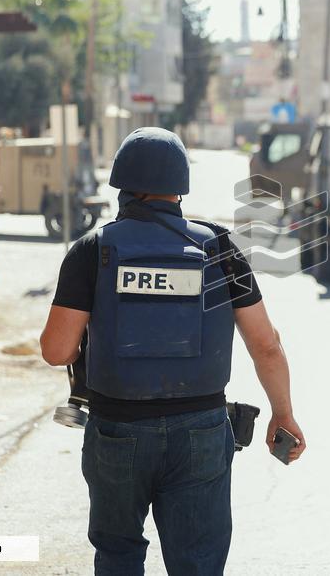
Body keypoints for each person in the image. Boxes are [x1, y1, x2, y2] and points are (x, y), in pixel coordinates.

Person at [39, 128, 305, 575]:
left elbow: (57, 350)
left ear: (124, 186)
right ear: (179, 188)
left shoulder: (93, 249)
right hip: (200, 432)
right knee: (198, 563)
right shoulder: (220, 248)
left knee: (119, 555)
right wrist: (283, 412)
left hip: (117, 430)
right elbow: (266, 344)